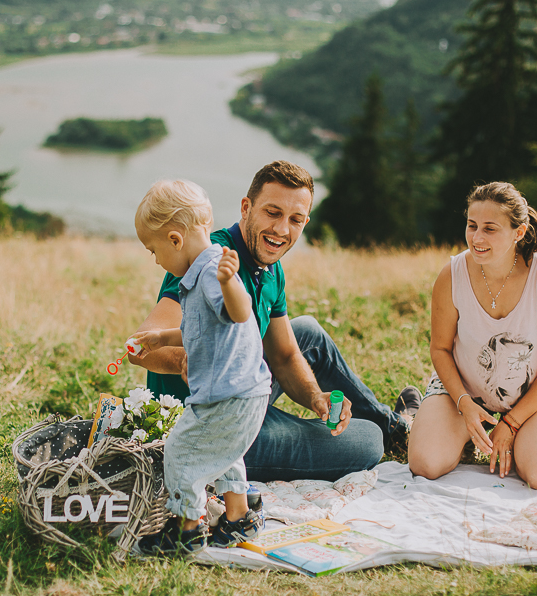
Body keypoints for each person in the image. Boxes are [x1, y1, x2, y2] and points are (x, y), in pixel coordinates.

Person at [129, 160, 421, 482]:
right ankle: (377, 432)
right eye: (272, 212)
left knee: (307, 331)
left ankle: (398, 428)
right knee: (367, 441)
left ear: (305, 222)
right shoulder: (209, 260)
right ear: (246, 207)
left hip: (241, 392)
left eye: (295, 219)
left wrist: (314, 397)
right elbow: (146, 342)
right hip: (207, 424)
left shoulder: (271, 269)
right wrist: (191, 357)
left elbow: (283, 355)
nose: (282, 229)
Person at [130, 179, 270, 556]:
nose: (156, 260)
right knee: (223, 450)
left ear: (175, 239)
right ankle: (238, 515)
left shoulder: (212, 272)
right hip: (243, 392)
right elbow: (200, 329)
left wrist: (229, 282)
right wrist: (163, 337)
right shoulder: (201, 272)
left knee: (183, 451)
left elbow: (239, 314)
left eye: (154, 250)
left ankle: (186, 529)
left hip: (227, 394)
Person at [407, 182, 537, 491]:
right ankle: (457, 425)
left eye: (490, 229)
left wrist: (510, 423)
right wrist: (465, 404)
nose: (477, 238)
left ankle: (514, 432)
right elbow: (440, 349)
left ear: (518, 232)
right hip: (463, 391)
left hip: (532, 395)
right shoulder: (452, 273)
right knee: (425, 464)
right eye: (472, 226)